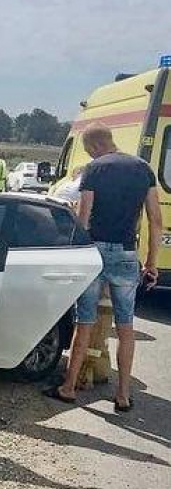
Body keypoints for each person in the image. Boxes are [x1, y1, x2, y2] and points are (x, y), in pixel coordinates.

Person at [46, 123, 163, 411]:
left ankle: (69, 386)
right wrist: (151, 261)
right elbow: (155, 219)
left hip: (95, 251)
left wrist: (75, 251)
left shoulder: (94, 170)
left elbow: (84, 218)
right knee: (126, 328)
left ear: (95, 147)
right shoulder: (144, 169)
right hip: (125, 254)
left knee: (84, 322)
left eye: (88, 151)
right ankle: (123, 395)